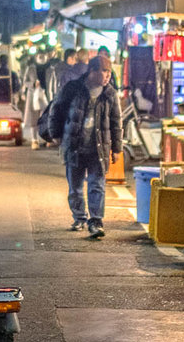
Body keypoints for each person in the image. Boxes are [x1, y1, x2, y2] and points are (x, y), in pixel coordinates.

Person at [49, 55, 122, 239]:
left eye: (108, 72)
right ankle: (79, 216)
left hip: (99, 147)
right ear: (92, 71)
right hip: (74, 145)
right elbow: (56, 111)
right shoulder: (73, 89)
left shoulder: (110, 93)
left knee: (97, 185)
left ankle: (96, 221)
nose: (107, 76)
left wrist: (117, 149)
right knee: (75, 186)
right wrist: (55, 135)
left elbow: (116, 122)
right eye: (103, 71)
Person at [22, 53, 50, 150]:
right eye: (39, 56)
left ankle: (47, 139)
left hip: (46, 96)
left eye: (43, 56)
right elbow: (25, 81)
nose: (41, 57)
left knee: (47, 117)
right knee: (34, 118)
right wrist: (33, 84)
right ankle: (34, 140)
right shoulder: (31, 68)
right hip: (33, 96)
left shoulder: (50, 69)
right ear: (36, 57)